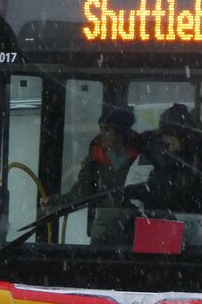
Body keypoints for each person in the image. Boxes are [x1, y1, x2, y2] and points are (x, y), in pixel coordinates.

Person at [46, 104, 141, 245]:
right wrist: (55, 201)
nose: (101, 134)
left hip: (135, 230)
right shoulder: (95, 156)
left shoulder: (143, 156)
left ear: (121, 132)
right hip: (102, 230)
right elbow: (82, 192)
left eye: (107, 129)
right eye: (101, 129)